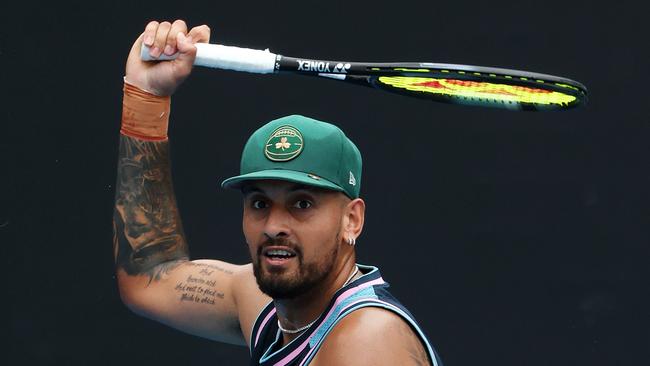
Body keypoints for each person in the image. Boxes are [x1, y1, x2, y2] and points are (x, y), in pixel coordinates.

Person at [114, 19, 443, 366]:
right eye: (260, 203)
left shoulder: (367, 343)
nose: (273, 226)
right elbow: (148, 276)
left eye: (302, 204)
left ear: (352, 220)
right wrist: (146, 95)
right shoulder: (268, 307)